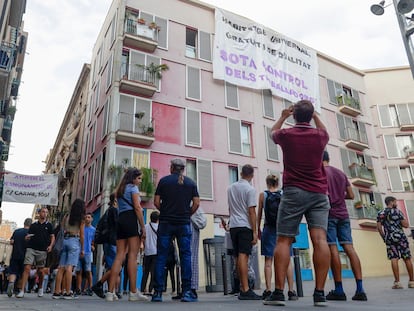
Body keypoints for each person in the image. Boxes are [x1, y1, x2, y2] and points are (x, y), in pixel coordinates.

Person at [265, 100, 330, 307]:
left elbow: (272, 132)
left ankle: (278, 293)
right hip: (319, 193)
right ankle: (319, 294)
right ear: (311, 116)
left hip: (293, 192)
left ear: (294, 115)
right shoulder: (320, 136)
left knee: (283, 240)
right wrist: (315, 115)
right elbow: (324, 129)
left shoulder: (286, 134)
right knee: (320, 240)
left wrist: (283, 116)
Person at [151, 158, 200, 303]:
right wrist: (187, 213)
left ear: (172, 168)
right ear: (183, 169)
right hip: (183, 223)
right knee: (186, 256)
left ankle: (157, 292)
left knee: (161, 256)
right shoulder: (191, 183)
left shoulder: (164, 181)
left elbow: (156, 202)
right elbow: (196, 203)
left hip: (166, 222)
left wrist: (165, 211)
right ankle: (186, 292)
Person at [323, 151, 367, 301]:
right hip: (344, 215)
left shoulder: (320, 173)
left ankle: (339, 290)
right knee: (349, 248)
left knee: (332, 248)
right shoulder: (340, 173)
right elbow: (351, 195)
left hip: (329, 215)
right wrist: (339, 195)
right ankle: (360, 289)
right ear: (329, 158)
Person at [106, 167, 148, 302]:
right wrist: (142, 226)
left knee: (119, 256)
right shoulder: (133, 188)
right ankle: (133, 292)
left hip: (121, 220)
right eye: (139, 178)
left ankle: (110, 292)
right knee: (132, 256)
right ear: (133, 178)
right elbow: (137, 207)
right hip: (130, 219)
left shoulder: (120, 190)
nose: (140, 181)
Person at [257, 175, 297, 301]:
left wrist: (257, 229)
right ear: (277, 182)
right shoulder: (283, 193)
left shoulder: (263, 195)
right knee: (288, 261)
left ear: (267, 182)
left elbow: (259, 214)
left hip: (268, 229)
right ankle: (291, 291)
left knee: (268, 261)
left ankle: (268, 289)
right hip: (283, 229)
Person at [227, 164, 261, 300]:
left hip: (234, 225)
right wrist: (255, 231)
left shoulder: (230, 188)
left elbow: (230, 208)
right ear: (252, 175)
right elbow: (251, 212)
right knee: (243, 256)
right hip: (244, 225)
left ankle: (242, 286)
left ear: (241, 173)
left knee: (237, 257)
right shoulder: (250, 189)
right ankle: (246, 289)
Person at [16, 207, 55, 298]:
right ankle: (22, 290)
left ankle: (40, 288)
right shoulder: (33, 225)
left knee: (41, 271)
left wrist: (50, 246)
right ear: (39, 213)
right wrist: (27, 238)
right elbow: (28, 235)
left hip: (42, 250)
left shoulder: (49, 225)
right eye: (43, 212)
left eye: (46, 212)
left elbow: (52, 237)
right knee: (27, 267)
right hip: (31, 249)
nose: (44, 214)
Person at [377, 196, 414, 289]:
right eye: (395, 202)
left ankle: (397, 282)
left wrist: (384, 238)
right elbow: (406, 225)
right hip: (401, 237)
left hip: (389, 238)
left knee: (394, 258)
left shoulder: (381, 213)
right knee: (407, 258)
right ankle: (412, 281)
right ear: (391, 202)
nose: (396, 203)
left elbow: (379, 227)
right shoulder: (398, 212)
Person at [52, 198, 86, 299]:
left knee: (61, 267)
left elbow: (62, 229)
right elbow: (82, 234)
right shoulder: (81, 218)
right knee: (69, 267)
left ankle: (57, 292)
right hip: (74, 241)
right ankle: (68, 292)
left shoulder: (66, 216)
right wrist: (83, 248)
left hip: (65, 240)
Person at [92, 193, 119, 299]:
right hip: (111, 241)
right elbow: (117, 225)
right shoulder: (113, 210)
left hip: (108, 241)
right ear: (116, 200)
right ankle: (99, 285)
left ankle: (110, 291)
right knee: (115, 267)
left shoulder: (108, 211)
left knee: (112, 267)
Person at [7, 218, 32, 297]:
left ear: (24, 223)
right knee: (23, 273)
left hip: (15, 254)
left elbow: (11, 241)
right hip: (25, 256)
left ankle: (11, 283)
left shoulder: (17, 231)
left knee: (13, 271)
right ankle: (18, 289)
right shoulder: (30, 234)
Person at [75, 212, 95, 296]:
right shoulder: (81, 228)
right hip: (79, 251)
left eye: (89, 217)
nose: (87, 219)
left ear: (91, 219)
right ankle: (78, 289)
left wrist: (92, 245)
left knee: (88, 271)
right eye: (86, 217)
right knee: (78, 271)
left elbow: (94, 241)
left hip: (88, 252)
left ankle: (90, 288)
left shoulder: (93, 230)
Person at [141, 210, 159, 295]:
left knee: (145, 272)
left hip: (147, 252)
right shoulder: (159, 227)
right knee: (153, 273)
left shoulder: (145, 227)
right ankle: (150, 289)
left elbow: (142, 238)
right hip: (155, 252)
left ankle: (142, 289)